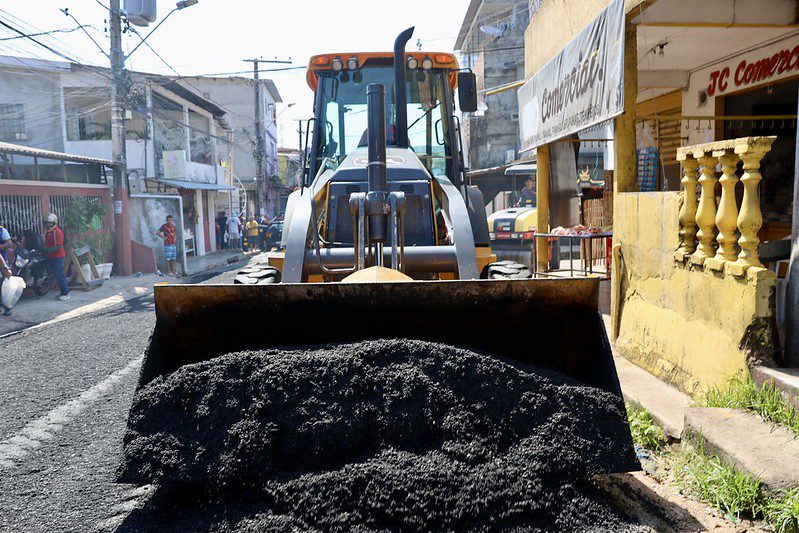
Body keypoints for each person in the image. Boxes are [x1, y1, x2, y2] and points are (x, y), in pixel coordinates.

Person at [42, 213, 69, 301]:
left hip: (58, 257)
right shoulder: (48, 233)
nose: (48, 225)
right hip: (51, 256)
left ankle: (65, 293)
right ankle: (62, 292)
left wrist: (47, 251)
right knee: (56, 275)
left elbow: (58, 246)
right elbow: (46, 244)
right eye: (46, 223)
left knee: (60, 275)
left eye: (50, 224)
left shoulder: (57, 232)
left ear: (55, 223)